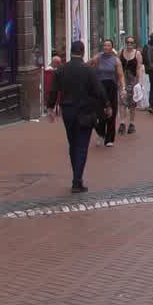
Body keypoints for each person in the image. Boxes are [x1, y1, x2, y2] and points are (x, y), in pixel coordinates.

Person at [44, 40, 102, 193]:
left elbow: (53, 91)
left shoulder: (61, 70)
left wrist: (50, 108)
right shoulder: (89, 70)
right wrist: (107, 105)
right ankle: (77, 180)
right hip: (85, 112)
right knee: (82, 146)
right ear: (83, 52)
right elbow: (98, 91)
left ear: (71, 52)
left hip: (68, 111)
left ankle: (76, 176)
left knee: (73, 144)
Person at [93, 39, 122, 148]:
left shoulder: (115, 60)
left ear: (111, 47)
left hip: (111, 87)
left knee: (111, 112)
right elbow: (89, 66)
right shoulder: (98, 58)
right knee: (99, 113)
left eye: (108, 45)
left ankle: (109, 139)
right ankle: (101, 134)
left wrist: (122, 87)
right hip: (100, 87)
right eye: (104, 45)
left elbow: (120, 75)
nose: (106, 47)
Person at [117, 35, 141, 137]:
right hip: (123, 80)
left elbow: (138, 69)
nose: (129, 44)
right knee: (122, 101)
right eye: (128, 42)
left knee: (132, 103)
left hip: (133, 80)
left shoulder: (137, 54)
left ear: (134, 44)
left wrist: (139, 83)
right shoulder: (121, 52)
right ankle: (122, 123)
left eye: (131, 43)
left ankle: (132, 123)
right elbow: (117, 66)